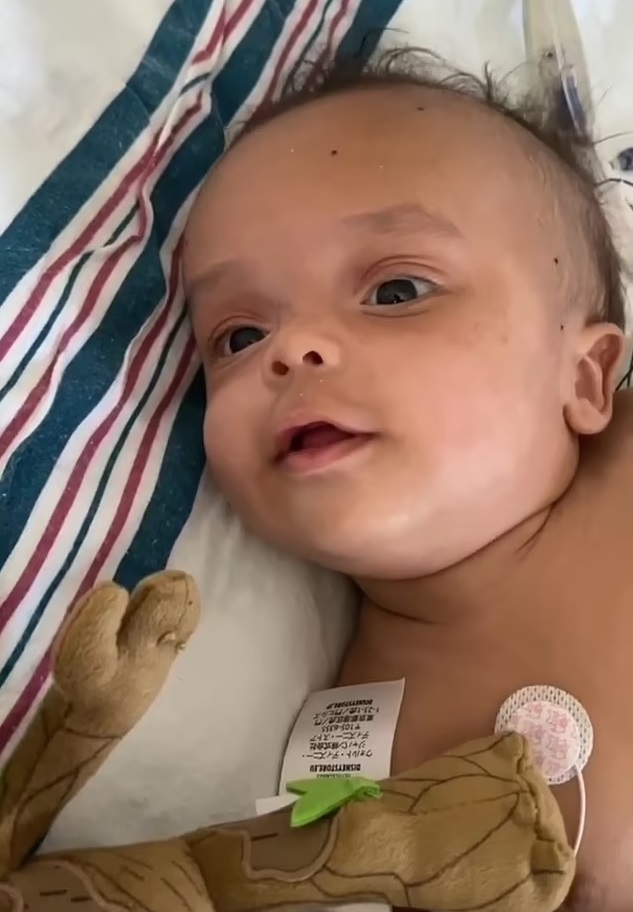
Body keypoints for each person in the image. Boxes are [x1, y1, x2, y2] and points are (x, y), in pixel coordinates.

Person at [183, 50, 632, 910]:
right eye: (238, 337)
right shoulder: (345, 752)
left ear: (581, 377)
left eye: (395, 291)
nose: (293, 349)